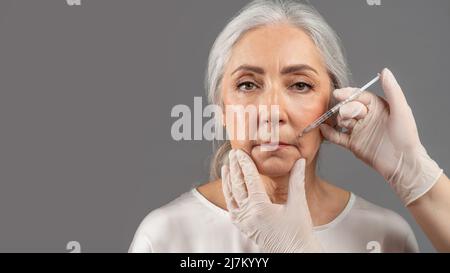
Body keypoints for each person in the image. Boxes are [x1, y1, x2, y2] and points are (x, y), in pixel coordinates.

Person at [129, 0, 421, 253]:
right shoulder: (167, 235)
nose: (272, 112)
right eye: (247, 85)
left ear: (333, 105)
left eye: (300, 85)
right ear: (220, 109)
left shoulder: (384, 236)